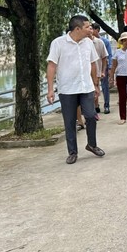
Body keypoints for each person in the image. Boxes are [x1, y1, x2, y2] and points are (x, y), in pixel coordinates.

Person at [46, 15, 106, 165]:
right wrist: (50, 89)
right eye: (87, 27)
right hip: (67, 89)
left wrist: (96, 84)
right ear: (77, 29)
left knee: (91, 116)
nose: (90, 30)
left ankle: (91, 144)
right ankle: (72, 152)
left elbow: (93, 64)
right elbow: (52, 66)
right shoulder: (58, 43)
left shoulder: (88, 43)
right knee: (70, 121)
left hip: (86, 86)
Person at [109, 31, 127, 124]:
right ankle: (123, 117)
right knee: (122, 97)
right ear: (122, 42)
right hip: (121, 76)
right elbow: (114, 66)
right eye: (125, 40)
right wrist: (111, 76)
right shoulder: (117, 52)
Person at [92, 23, 113, 114]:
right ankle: (95, 106)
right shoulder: (87, 41)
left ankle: (106, 105)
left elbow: (109, 56)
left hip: (102, 67)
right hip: (92, 69)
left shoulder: (104, 42)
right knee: (93, 87)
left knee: (105, 87)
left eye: (92, 29)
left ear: (97, 30)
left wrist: (109, 68)